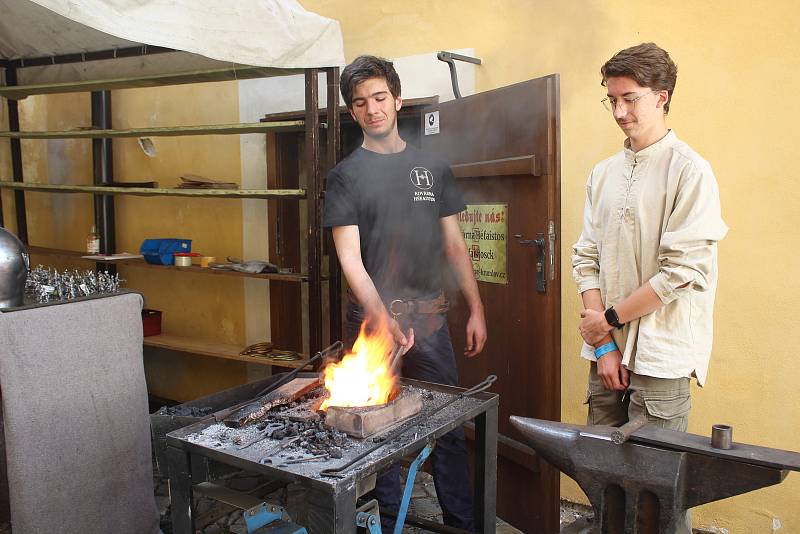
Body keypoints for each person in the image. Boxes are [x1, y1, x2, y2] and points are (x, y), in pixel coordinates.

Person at [323, 55, 487, 532]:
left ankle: (461, 524)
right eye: (360, 103)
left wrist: (476, 307)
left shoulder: (430, 167)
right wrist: (380, 320)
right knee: (378, 429)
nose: (372, 109)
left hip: (431, 320)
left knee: (449, 426)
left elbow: (455, 245)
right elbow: (350, 258)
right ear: (352, 113)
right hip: (373, 322)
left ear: (397, 100)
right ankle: (389, 521)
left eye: (379, 98)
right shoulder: (345, 176)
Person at [572, 42, 728, 435]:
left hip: (661, 358)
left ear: (662, 97)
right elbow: (586, 258)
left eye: (629, 99)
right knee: (600, 475)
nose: (620, 112)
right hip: (605, 354)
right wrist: (604, 345)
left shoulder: (689, 171)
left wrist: (604, 322)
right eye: (611, 100)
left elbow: (679, 274)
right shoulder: (603, 174)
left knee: (653, 489)